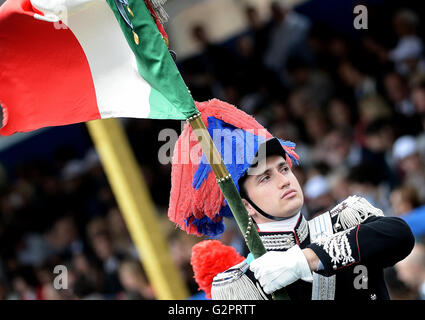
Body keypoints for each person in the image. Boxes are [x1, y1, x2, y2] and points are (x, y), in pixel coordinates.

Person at [169, 99, 415, 300]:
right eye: (265, 178)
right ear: (245, 206)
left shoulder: (347, 215)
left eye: (283, 169)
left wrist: (305, 259)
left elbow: (400, 235)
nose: (284, 180)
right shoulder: (238, 284)